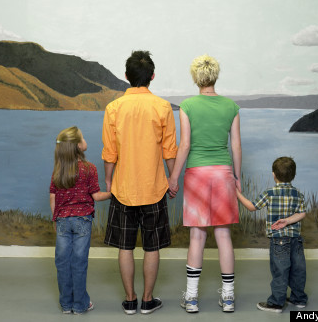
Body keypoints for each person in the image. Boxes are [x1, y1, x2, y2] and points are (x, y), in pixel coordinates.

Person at [102, 50, 178, 315]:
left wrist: (109, 182)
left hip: (123, 190)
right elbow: (170, 150)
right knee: (152, 247)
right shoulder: (163, 107)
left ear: (126, 76)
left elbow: (110, 153)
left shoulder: (113, 108)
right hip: (154, 188)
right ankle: (148, 300)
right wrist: (173, 181)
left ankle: (130, 300)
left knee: (125, 247)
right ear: (152, 77)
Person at [168, 54, 242, 313]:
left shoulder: (187, 106)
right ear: (215, 76)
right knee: (223, 235)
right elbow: (235, 145)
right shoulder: (231, 106)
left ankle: (191, 298)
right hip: (223, 173)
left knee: (197, 236)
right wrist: (238, 176)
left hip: (197, 175)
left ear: (195, 78)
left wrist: (173, 177)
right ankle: (229, 298)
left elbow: (185, 144)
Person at [49, 126, 111, 315]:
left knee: (62, 262)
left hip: (62, 221)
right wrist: (114, 193)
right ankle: (81, 304)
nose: (85, 140)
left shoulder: (58, 170)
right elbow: (97, 196)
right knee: (79, 262)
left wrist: (55, 219)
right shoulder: (89, 168)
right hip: (83, 221)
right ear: (78, 146)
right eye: (83, 138)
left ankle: (66, 304)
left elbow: (53, 197)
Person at [236, 156, 308, 313]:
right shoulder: (297, 194)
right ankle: (299, 299)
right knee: (298, 269)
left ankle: (276, 303)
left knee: (280, 271)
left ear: (273, 174)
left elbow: (251, 207)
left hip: (278, 240)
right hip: (296, 239)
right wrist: (288, 221)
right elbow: (302, 213)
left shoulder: (270, 193)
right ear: (294, 175)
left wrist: (236, 193)